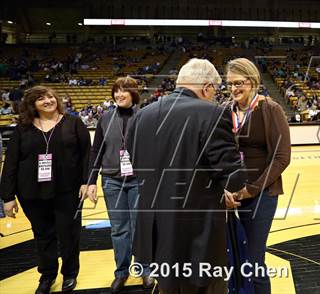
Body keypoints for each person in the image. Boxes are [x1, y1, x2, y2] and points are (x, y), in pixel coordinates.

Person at [127, 58, 247, 294]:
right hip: (197, 234)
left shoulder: (143, 115)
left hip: (158, 230)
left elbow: (136, 163)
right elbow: (232, 177)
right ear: (207, 87)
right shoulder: (212, 113)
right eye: (215, 91)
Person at [0, 86, 91, 293]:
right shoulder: (22, 128)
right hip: (31, 193)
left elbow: (87, 155)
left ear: (56, 99)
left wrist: (87, 181)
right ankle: (47, 275)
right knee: (43, 235)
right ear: (32, 104)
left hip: (68, 191)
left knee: (69, 234)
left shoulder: (73, 123)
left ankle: (70, 274)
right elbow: (11, 163)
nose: (47, 101)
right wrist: (8, 197)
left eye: (50, 97)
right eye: (41, 99)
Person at [225, 58, 291, 294]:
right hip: (230, 197)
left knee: (253, 262)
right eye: (230, 84)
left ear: (252, 82)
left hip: (261, 197)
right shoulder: (226, 109)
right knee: (234, 260)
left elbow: (282, 157)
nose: (234, 89)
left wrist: (251, 189)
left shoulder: (270, 109)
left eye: (239, 83)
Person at [85, 76, 153, 293]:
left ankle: (145, 269)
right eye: (116, 91)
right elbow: (96, 151)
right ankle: (121, 272)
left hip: (138, 180)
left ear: (133, 93)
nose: (119, 94)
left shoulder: (145, 116)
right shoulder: (105, 117)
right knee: (118, 229)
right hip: (112, 180)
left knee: (139, 227)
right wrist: (91, 181)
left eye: (124, 90)